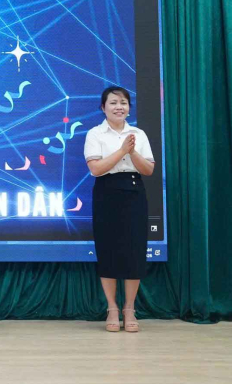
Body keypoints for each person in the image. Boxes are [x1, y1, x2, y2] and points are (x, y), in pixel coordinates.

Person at [84, 86, 154, 333]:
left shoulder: (138, 134)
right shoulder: (95, 133)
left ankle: (130, 309)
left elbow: (148, 169)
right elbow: (96, 169)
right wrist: (122, 150)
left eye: (123, 102)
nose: (119, 107)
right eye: (113, 102)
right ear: (103, 107)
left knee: (134, 250)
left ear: (129, 108)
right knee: (108, 250)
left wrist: (132, 152)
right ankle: (112, 308)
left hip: (134, 191)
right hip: (106, 192)